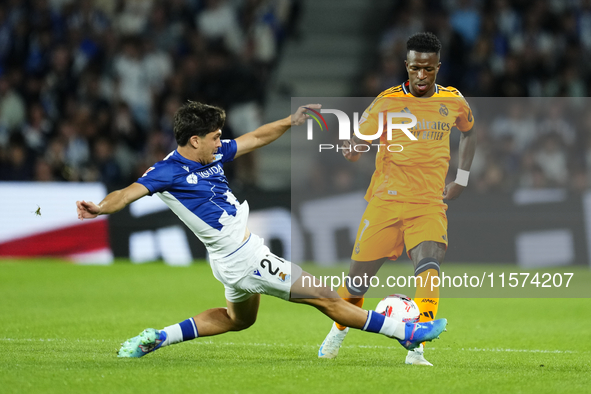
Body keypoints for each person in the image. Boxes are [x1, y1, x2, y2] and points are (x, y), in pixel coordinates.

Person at [76, 101, 447, 358]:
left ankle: (160, 337)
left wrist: (290, 120)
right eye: (215, 137)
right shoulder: (166, 172)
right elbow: (126, 193)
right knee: (329, 299)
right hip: (246, 258)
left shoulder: (213, 153)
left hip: (226, 261)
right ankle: (408, 333)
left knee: (239, 320)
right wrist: (99, 208)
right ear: (194, 141)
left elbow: (255, 138)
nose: (221, 143)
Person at [318, 32, 476, 366]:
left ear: (438, 67)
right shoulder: (386, 102)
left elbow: (469, 133)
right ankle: (339, 328)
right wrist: (353, 149)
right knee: (356, 284)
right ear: (406, 65)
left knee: (430, 264)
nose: (422, 75)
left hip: (429, 203)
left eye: (429, 69)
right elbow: (360, 140)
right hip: (386, 201)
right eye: (416, 68)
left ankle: (417, 347)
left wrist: (461, 177)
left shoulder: (454, 100)